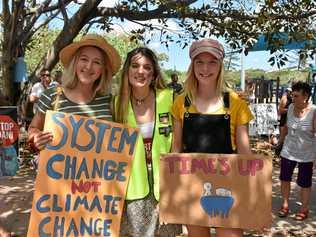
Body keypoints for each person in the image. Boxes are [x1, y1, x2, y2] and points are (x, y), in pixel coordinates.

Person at [171, 38, 254, 237]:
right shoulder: (181, 103)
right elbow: (176, 149)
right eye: (199, 62)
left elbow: (244, 151)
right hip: (192, 186)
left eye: (212, 62)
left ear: (220, 65)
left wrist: (254, 193)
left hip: (230, 186)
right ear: (192, 65)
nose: (205, 68)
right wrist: (173, 190)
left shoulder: (235, 103)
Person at [113, 47, 182, 237]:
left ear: (154, 73)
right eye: (135, 66)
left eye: (147, 67)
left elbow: (177, 145)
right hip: (132, 189)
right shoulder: (116, 103)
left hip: (166, 184)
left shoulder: (170, 98)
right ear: (127, 70)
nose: (140, 71)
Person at [28, 34, 120, 151]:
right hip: (58, 168)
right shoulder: (52, 95)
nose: (89, 66)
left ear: (103, 69)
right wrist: (36, 138)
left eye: (97, 62)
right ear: (75, 62)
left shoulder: (109, 101)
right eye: (84, 59)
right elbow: (33, 128)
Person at [277, 81, 316, 221]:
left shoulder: (314, 111)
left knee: (304, 183)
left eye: (296, 95)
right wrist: (279, 143)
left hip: (306, 154)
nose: (293, 98)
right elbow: (286, 128)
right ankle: (285, 204)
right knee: (284, 178)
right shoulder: (291, 107)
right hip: (288, 151)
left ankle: (304, 208)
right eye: (292, 95)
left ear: (305, 96)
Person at [275, 87, 292, 156]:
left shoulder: (291, 98)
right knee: (282, 138)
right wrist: (290, 110)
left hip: (289, 119)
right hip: (284, 119)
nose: (290, 94)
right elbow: (280, 110)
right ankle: (279, 152)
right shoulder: (284, 98)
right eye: (289, 92)